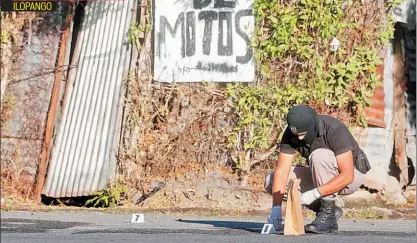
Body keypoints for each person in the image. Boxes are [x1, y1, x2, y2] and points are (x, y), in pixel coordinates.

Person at [264, 105, 371, 234]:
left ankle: (327, 214)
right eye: (296, 134)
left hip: (350, 177)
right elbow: (282, 172)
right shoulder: (290, 133)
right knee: (271, 180)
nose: (299, 138)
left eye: (302, 134)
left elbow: (348, 175)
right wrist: (276, 208)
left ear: (312, 126)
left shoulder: (334, 130)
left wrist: (314, 194)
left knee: (319, 155)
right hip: (321, 173)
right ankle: (330, 210)